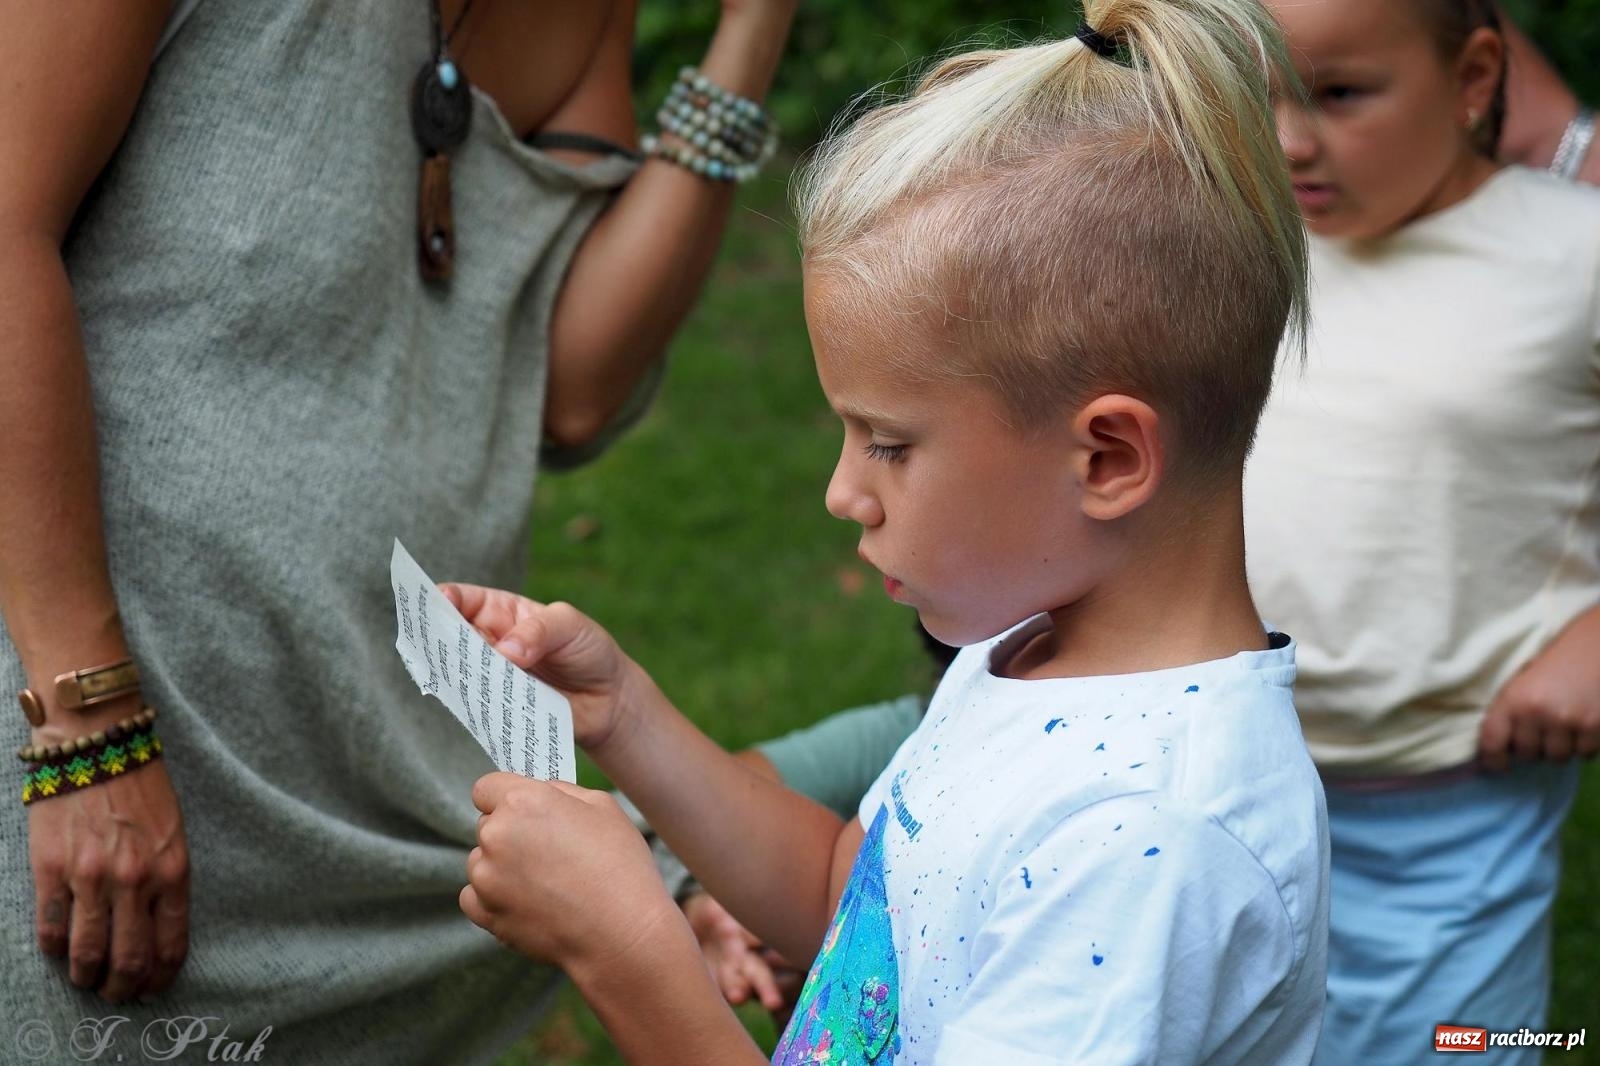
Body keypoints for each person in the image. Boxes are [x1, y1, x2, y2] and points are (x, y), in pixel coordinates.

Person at [445, 0, 1331, 1059]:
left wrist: (624, 949)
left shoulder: (1154, 838)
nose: (842, 492)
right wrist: (626, 716)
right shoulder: (1027, 650)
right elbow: (853, 901)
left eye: (889, 444)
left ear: (1106, 459)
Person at [1, 0, 795, 1061]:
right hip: (87, 748)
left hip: (388, 799)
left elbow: (568, 385)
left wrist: (755, 25)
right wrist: (87, 722)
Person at [1246, 0, 1600, 1061]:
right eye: (1256, 96)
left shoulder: (1573, 253)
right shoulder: (1240, 243)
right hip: (1226, 783)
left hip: (1449, 819)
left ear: (1473, 77)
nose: (1287, 141)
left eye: (1339, 95)